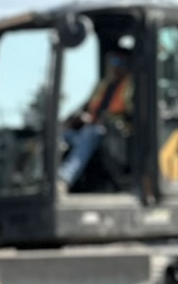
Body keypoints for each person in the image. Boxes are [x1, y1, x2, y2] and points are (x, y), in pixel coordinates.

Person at [57, 48, 134, 190]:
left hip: (116, 133)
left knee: (90, 134)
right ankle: (40, 179)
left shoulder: (132, 85)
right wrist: (70, 122)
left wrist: (104, 120)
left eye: (119, 62)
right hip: (92, 128)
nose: (114, 66)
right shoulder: (104, 85)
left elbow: (131, 112)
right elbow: (86, 107)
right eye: (113, 62)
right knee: (61, 135)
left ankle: (64, 178)